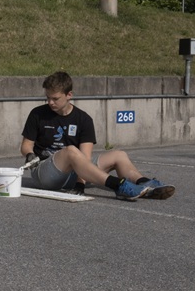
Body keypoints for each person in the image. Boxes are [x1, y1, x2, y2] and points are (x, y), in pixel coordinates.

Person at [20, 71, 175, 201]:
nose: (50, 102)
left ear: (69, 95)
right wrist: (29, 154)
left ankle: (144, 185)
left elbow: (85, 158)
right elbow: (26, 145)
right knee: (71, 151)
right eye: (47, 98)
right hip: (46, 174)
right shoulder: (37, 114)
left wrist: (79, 183)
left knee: (119, 155)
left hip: (75, 172)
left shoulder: (84, 119)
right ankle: (117, 185)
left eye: (55, 98)